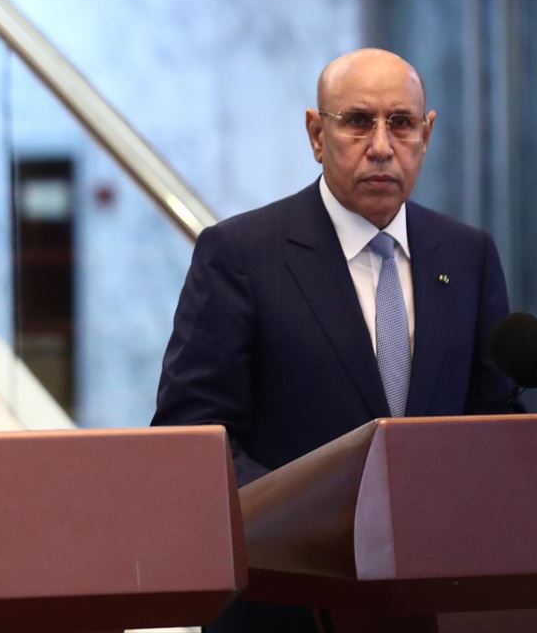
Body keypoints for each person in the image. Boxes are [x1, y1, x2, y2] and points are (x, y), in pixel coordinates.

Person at [152, 48, 518, 631]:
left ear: (426, 134)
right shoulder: (242, 254)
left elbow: (494, 419)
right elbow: (191, 432)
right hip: (285, 603)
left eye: (399, 123)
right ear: (316, 134)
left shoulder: (468, 255)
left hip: (432, 606)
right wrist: (307, 520)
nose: (380, 145)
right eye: (356, 122)